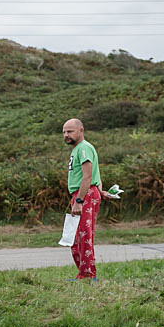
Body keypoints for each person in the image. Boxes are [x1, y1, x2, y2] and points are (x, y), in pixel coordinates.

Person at [63, 118, 110, 280]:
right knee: (75, 237)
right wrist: (101, 190)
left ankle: (88, 275)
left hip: (84, 195)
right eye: (64, 132)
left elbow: (88, 176)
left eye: (70, 131)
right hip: (83, 194)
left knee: (84, 236)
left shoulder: (84, 148)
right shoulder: (78, 149)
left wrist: (79, 201)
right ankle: (83, 273)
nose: (66, 135)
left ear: (81, 130)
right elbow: (95, 173)